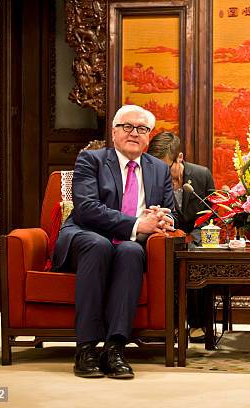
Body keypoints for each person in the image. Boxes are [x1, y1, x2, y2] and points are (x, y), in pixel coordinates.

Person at [52, 105, 177, 379]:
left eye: (142, 129)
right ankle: (85, 349)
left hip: (130, 243)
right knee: (100, 245)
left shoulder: (158, 169)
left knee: (132, 251)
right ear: (114, 131)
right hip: (85, 236)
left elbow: (172, 212)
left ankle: (115, 348)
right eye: (127, 127)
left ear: (149, 136)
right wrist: (135, 224)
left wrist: (162, 219)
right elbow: (86, 208)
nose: (134, 133)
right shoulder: (91, 160)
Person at [147, 131, 215, 343]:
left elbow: (211, 214)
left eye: (166, 167)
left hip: (195, 237)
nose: (161, 172)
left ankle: (197, 324)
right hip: (165, 237)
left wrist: (191, 237)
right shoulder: (150, 178)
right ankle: (168, 325)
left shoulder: (201, 175)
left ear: (180, 158)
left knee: (196, 257)